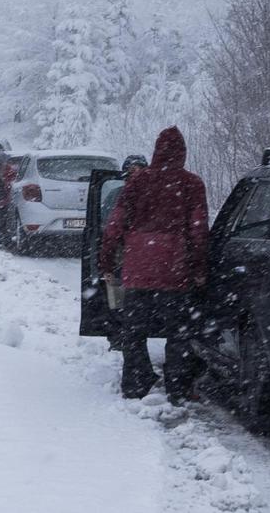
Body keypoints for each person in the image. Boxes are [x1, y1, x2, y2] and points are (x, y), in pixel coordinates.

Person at [100, 128, 209, 402]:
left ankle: (137, 383)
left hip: (137, 272)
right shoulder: (192, 184)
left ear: (156, 150)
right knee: (178, 333)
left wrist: (106, 262)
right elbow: (198, 231)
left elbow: (114, 226)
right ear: (182, 153)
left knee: (134, 332)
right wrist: (198, 269)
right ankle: (178, 386)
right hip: (175, 272)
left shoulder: (137, 183)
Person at [99, 154, 149, 352]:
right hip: (140, 254)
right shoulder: (161, 196)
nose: (135, 174)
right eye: (133, 170)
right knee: (120, 296)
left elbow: (108, 228)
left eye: (139, 169)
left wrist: (106, 261)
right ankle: (122, 333)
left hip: (131, 253)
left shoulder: (121, 196)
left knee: (121, 298)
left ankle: (124, 334)